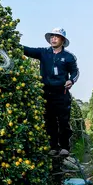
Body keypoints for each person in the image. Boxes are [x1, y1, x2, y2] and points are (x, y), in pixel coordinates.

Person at [22, 27, 79, 156]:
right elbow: (27, 50)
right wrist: (12, 42)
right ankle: (53, 146)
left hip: (61, 93)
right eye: (52, 36)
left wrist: (71, 80)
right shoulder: (43, 53)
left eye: (56, 37)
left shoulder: (69, 57)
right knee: (49, 120)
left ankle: (64, 147)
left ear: (62, 40)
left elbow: (75, 72)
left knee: (63, 121)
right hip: (46, 93)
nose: (53, 39)